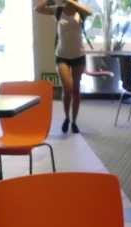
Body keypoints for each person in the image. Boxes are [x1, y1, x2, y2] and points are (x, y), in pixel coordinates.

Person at [35, 0, 93, 134]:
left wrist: (73, 3)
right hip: (62, 56)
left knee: (76, 90)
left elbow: (89, 13)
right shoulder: (58, 11)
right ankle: (66, 117)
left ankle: (74, 121)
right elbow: (37, 9)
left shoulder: (80, 13)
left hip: (78, 55)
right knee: (68, 87)